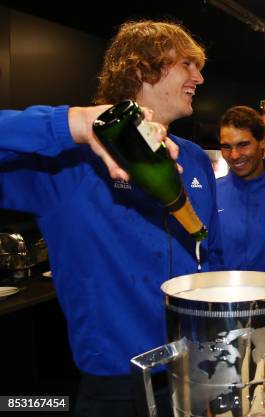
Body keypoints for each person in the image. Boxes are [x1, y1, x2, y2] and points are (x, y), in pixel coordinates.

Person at [0, 20, 223, 417]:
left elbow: (212, 256)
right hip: (117, 386)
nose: (199, 77)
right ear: (142, 69)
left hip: (194, 370)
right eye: (187, 64)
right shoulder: (66, 162)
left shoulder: (191, 159)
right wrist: (73, 123)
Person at [216, 106, 265, 270]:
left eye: (243, 144)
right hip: (219, 293)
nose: (234, 155)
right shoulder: (212, 194)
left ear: (264, 141)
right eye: (226, 147)